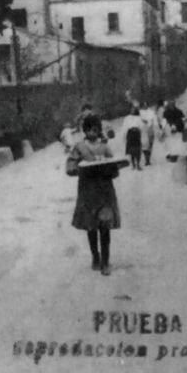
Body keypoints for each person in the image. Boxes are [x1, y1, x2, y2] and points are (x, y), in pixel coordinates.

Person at [66, 115, 120, 276]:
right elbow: (70, 167)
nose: (92, 133)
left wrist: (107, 168)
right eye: (89, 130)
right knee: (91, 227)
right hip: (88, 193)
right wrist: (81, 168)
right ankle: (95, 257)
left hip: (105, 193)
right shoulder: (79, 147)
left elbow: (115, 169)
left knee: (105, 227)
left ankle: (105, 262)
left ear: (99, 131)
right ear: (84, 131)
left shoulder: (104, 147)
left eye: (95, 130)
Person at [139, 101, 158, 166]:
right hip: (143, 131)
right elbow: (139, 120)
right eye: (143, 105)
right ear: (141, 106)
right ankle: (147, 159)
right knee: (144, 145)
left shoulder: (151, 112)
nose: (145, 106)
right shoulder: (139, 113)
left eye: (146, 105)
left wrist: (153, 125)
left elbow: (154, 119)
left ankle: (148, 158)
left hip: (150, 130)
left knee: (150, 144)